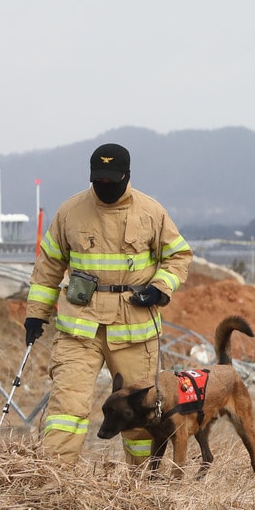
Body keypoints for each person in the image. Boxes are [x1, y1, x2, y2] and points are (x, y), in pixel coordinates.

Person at [23, 143, 192, 465]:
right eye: (99, 181)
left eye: (111, 181)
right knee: (66, 409)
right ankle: (54, 481)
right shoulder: (70, 212)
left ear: (126, 176)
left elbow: (179, 256)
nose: (105, 188)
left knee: (139, 414)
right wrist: (36, 315)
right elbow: (48, 268)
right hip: (79, 329)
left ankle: (142, 487)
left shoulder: (151, 212)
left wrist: (159, 288)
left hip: (134, 330)